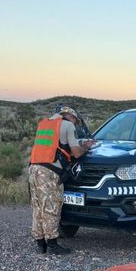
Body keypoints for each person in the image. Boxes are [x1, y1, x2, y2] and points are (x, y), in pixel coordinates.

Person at [27, 105, 95, 254]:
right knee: (52, 207)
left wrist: (81, 143)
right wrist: (87, 147)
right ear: (70, 117)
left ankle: (40, 244)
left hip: (33, 169)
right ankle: (52, 244)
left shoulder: (44, 124)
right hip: (49, 172)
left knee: (38, 207)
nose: (75, 125)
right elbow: (76, 153)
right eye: (75, 121)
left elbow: (58, 145)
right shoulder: (68, 125)